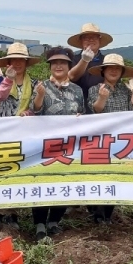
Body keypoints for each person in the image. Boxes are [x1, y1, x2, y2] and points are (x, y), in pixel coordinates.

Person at [29, 46, 85, 237]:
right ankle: (39, 225)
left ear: (69, 66)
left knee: (63, 183)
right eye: (55, 63)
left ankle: (54, 221)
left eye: (63, 63)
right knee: (42, 183)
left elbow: (83, 114)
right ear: (50, 66)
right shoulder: (41, 86)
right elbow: (34, 112)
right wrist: (40, 96)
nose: (58, 66)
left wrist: (80, 117)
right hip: (45, 146)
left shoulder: (77, 90)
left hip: (69, 146)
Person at [0, 42, 41, 228]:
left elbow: (36, 107)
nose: (18, 63)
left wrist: (28, 113)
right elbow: (0, 96)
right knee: (1, 170)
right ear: (8, 62)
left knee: (17, 172)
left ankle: (12, 213)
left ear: (26, 62)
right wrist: (8, 80)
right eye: (14, 60)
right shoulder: (2, 79)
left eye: (21, 60)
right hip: (3, 133)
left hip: (23, 134)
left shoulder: (34, 83)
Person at [86, 54, 133, 225]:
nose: (114, 71)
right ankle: (97, 212)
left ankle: (108, 214)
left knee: (116, 176)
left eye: (117, 68)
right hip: (101, 140)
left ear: (122, 72)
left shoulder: (126, 90)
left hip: (121, 141)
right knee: (100, 176)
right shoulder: (95, 89)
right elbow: (95, 110)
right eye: (110, 68)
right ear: (103, 71)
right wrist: (102, 98)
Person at [65, 22, 112, 108]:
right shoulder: (73, 60)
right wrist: (84, 60)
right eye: (86, 38)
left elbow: (115, 80)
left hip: (102, 107)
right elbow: (71, 76)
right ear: (81, 41)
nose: (90, 40)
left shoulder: (107, 61)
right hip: (77, 106)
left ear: (99, 40)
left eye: (94, 37)